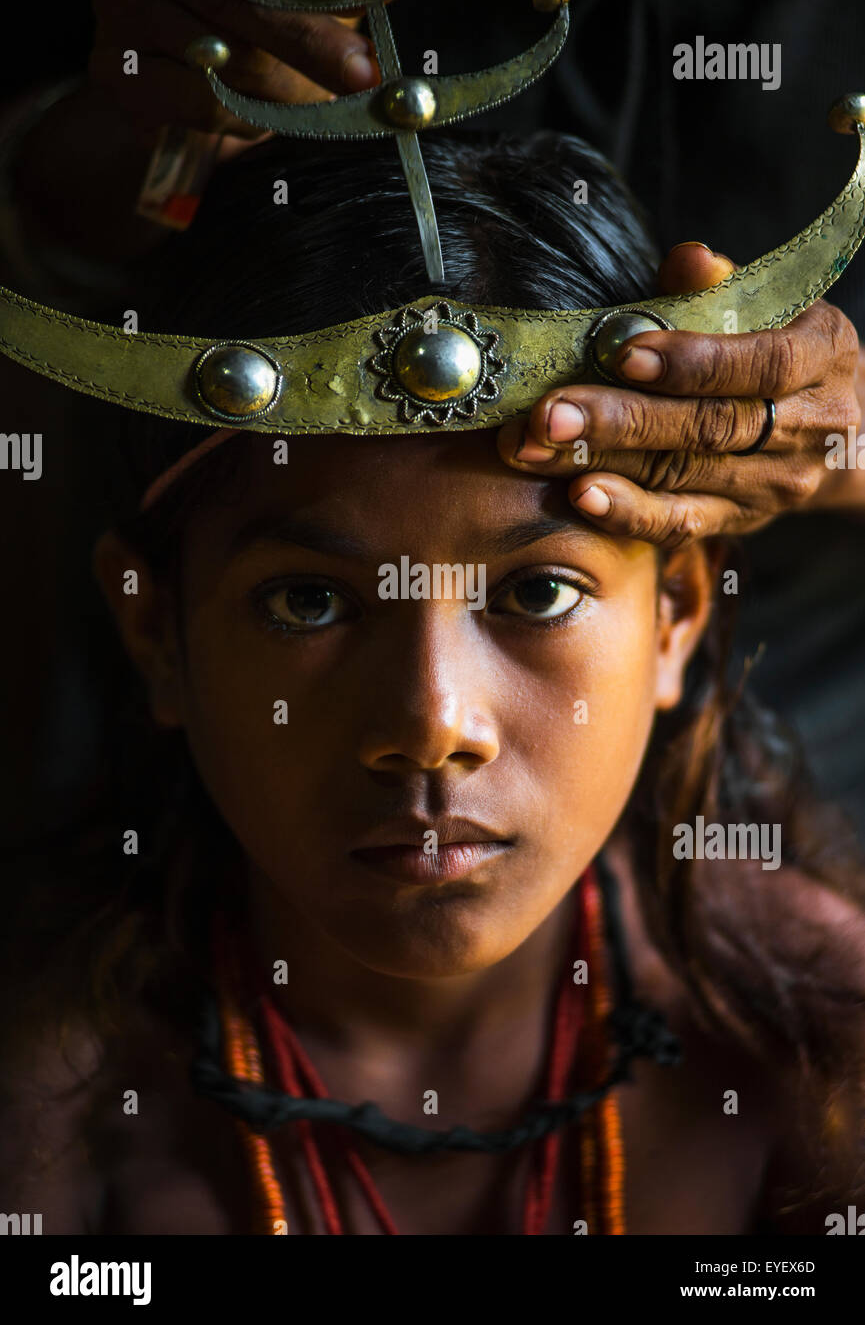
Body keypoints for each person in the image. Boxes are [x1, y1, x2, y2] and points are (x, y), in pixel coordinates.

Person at [2, 131, 864, 1235]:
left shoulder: (811, 1063)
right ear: (156, 629)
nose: (430, 726)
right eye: (307, 602)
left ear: (676, 615)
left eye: (539, 594)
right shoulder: (53, 1128)